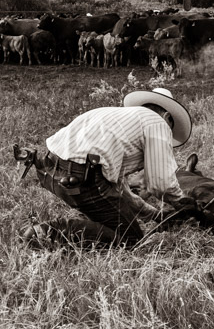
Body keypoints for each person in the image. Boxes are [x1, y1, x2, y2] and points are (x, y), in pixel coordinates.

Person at [21, 87, 198, 246]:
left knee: (111, 219)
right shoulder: (158, 123)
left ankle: (60, 230)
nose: (168, 134)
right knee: (130, 239)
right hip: (83, 177)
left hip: (50, 170)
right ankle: (46, 232)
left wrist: (154, 215)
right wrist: (183, 203)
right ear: (167, 117)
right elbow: (161, 183)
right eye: (170, 129)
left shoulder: (120, 119)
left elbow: (120, 191)